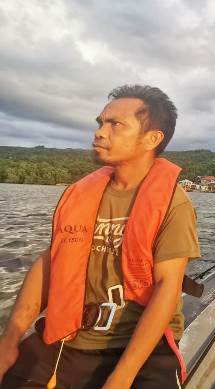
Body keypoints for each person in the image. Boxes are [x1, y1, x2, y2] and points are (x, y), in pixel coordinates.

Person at [0, 85, 201, 389]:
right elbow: (50, 263)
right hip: (72, 337)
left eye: (115, 124)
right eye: (100, 123)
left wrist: (122, 376)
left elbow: (167, 287)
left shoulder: (174, 203)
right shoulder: (78, 196)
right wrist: (11, 336)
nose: (100, 132)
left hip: (138, 345)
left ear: (152, 139)